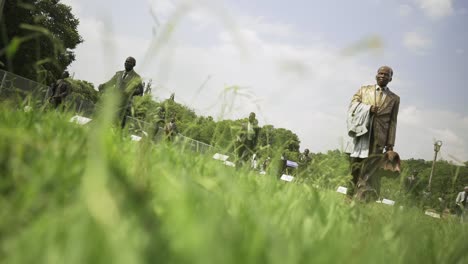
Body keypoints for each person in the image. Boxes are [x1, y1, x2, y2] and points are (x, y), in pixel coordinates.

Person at [347, 66, 400, 201]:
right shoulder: (364, 90)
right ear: (376, 75)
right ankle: (349, 195)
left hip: (379, 138)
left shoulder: (394, 98)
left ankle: (362, 197)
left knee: (370, 169)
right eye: (380, 73)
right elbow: (353, 104)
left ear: (390, 78)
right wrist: (368, 109)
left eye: (386, 75)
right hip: (362, 134)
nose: (382, 76)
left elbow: (393, 121)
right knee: (355, 166)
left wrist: (390, 144)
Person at [98, 56, 144, 128]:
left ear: (133, 64)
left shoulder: (136, 77)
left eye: (129, 62)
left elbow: (141, 91)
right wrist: (102, 86)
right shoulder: (118, 73)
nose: (127, 63)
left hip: (125, 106)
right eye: (126, 61)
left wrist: (130, 92)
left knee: (118, 126)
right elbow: (110, 83)